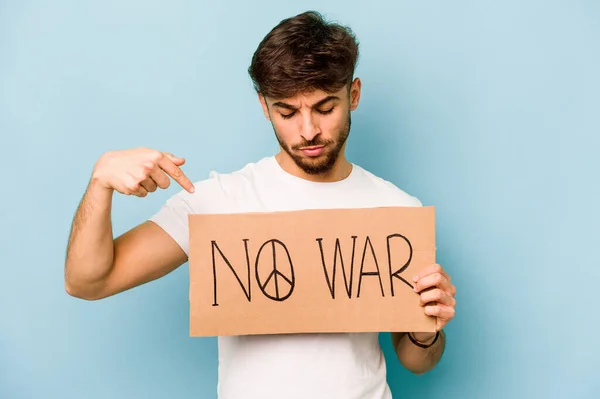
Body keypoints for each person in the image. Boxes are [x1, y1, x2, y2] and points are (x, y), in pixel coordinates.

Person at [64, 10, 457, 399]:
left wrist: (426, 331)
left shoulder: (397, 209)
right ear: (264, 107)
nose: (308, 131)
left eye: (325, 108)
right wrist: (100, 184)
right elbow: (88, 281)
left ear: (353, 95)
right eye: (287, 112)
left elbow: (416, 361)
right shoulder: (217, 202)